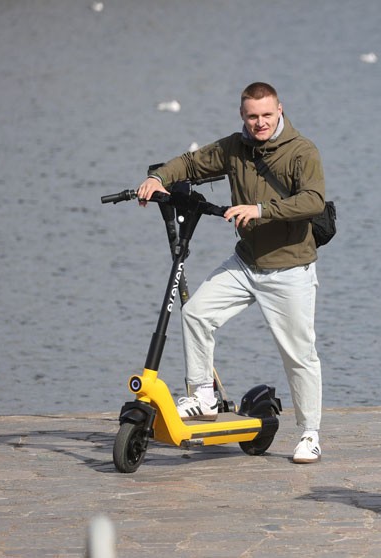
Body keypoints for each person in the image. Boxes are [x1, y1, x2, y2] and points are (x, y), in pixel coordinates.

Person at [136, 82, 325, 464]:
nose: (260, 123)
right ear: (243, 115)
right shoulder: (234, 148)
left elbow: (312, 200)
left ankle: (309, 434)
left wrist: (259, 210)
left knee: (298, 355)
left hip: (289, 269)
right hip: (245, 262)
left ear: (279, 111)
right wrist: (159, 178)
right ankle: (203, 395)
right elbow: (190, 164)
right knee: (196, 313)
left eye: (266, 115)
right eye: (252, 116)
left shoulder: (301, 151)